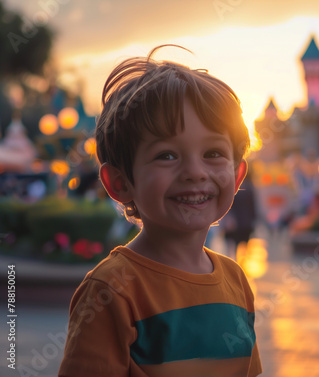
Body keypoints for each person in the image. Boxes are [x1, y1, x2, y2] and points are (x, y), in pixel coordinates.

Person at [58, 45, 262, 377]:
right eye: (167, 155)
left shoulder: (236, 281)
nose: (195, 172)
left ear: (238, 176)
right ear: (120, 183)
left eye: (213, 153)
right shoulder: (113, 290)